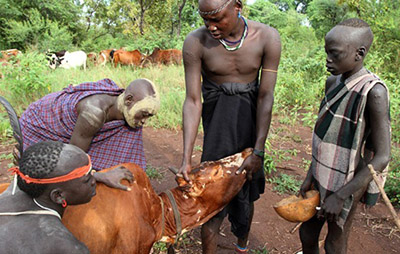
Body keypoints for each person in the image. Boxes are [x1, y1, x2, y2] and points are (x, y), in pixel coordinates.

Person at [178, 0, 281, 252]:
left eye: (218, 19)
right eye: (206, 20)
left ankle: (242, 243)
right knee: (211, 193)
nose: (211, 27)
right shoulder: (195, 42)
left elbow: (266, 96)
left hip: (250, 127)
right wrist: (185, 158)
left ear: (237, 6)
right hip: (217, 129)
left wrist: (258, 150)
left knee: (247, 187)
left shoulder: (267, 37)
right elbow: (193, 101)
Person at [299, 18, 391, 254]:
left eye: (335, 54)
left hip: (349, 178)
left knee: (335, 239)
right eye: (326, 52)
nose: (327, 59)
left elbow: (382, 156)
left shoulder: (374, 92)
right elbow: (324, 137)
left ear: (359, 53)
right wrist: (311, 173)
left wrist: (340, 196)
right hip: (322, 170)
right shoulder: (332, 82)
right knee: (307, 232)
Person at [19, 78, 160, 189]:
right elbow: (73, 158)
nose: (144, 121)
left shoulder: (122, 107)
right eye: (143, 114)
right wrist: (101, 176)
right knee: (58, 177)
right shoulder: (93, 114)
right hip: (40, 125)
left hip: (80, 134)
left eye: (149, 117)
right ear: (128, 100)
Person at [0, 141, 98, 253]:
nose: (93, 181)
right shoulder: (66, 247)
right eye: (87, 179)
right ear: (58, 196)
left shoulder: (21, 181)